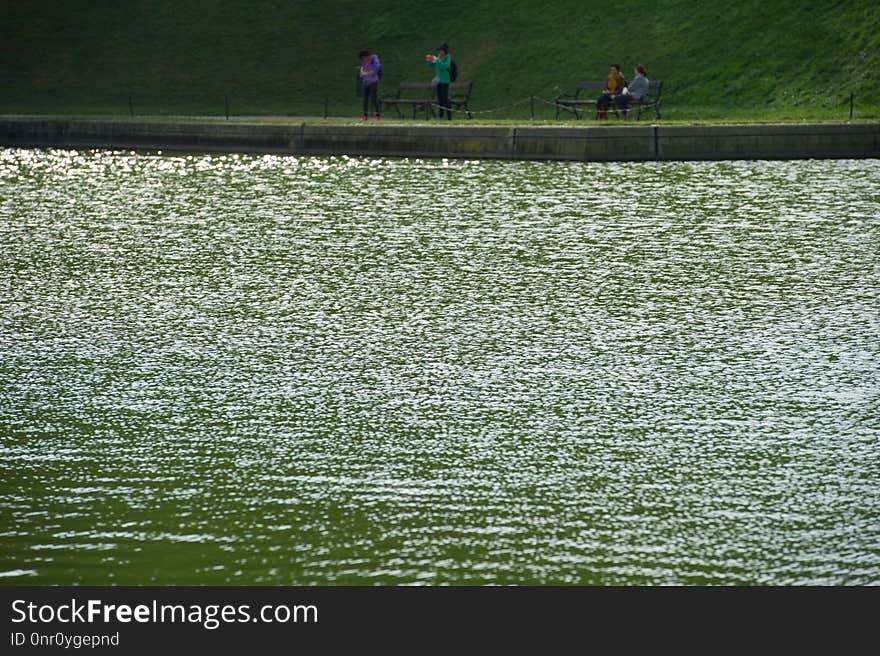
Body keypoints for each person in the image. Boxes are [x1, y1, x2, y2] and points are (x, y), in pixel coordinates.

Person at [425, 43, 453, 120]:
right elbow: (430, 66)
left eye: (441, 50)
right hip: (438, 81)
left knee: (445, 99)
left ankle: (449, 117)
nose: (440, 52)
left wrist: (437, 60)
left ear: (445, 51)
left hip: (445, 81)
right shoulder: (439, 58)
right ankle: (441, 116)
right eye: (439, 50)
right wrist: (429, 60)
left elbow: (445, 66)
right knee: (440, 100)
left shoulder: (448, 57)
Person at [358, 49, 382, 121]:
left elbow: (374, 71)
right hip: (366, 81)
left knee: (374, 98)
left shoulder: (375, 60)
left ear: (367, 56)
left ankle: (378, 115)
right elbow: (362, 68)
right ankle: (365, 115)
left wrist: (364, 74)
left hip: (373, 82)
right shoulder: (365, 61)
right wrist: (362, 72)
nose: (363, 60)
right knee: (365, 99)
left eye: (363, 58)